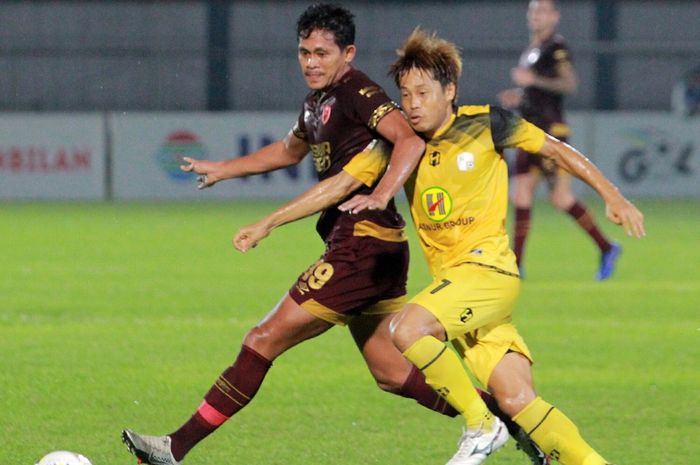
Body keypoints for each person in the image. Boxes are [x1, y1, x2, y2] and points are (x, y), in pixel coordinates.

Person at [120, 5, 543, 465]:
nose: (311, 62)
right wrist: (223, 169)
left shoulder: (358, 91)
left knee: (263, 338)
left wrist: (380, 194)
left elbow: (410, 140)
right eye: (304, 52)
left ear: (348, 53)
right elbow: (287, 150)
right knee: (389, 372)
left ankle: (172, 449)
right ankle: (505, 417)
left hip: (361, 244)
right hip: (369, 248)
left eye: (322, 53)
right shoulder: (316, 103)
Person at [339, 28, 645, 465]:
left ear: (450, 91)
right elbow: (343, 181)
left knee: (407, 330)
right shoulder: (403, 144)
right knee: (520, 399)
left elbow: (557, 151)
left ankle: (482, 425)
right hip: (461, 292)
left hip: (486, 273)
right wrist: (270, 220)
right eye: (405, 94)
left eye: (423, 92)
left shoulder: (487, 123)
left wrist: (612, 195)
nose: (413, 104)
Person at [497, 0, 620, 280]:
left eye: (542, 11)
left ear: (555, 16)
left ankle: (607, 247)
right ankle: (516, 264)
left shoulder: (556, 47)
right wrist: (519, 96)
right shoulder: (531, 51)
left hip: (552, 133)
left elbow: (568, 84)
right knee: (520, 194)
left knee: (561, 198)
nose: (536, 16)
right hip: (528, 132)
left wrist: (532, 81)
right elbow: (535, 91)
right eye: (533, 11)